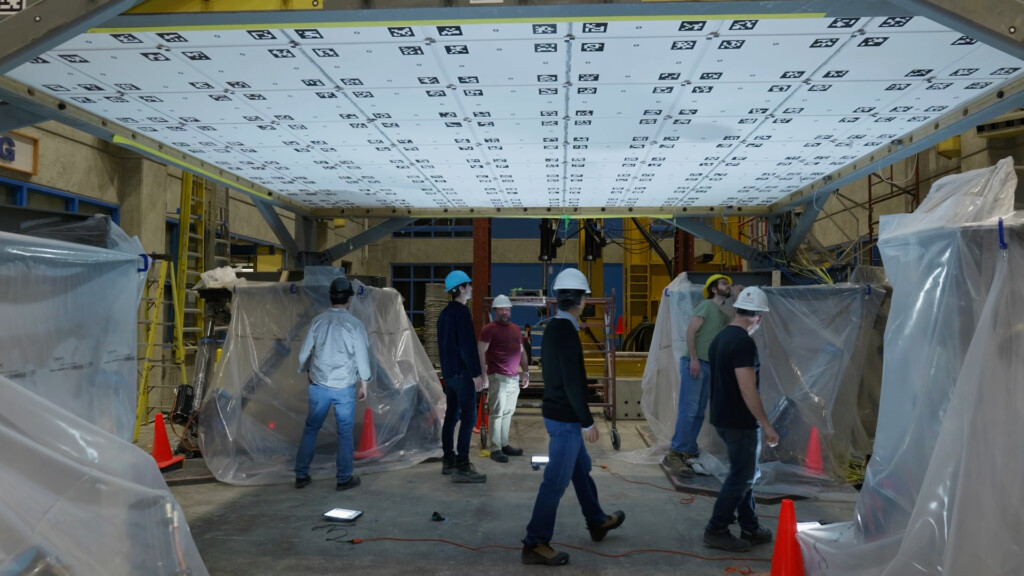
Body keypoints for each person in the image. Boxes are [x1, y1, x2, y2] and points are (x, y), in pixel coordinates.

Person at [522, 268, 625, 566]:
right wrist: (587, 421)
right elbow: (570, 381)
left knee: (581, 470)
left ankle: (596, 520)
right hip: (566, 419)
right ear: (581, 300)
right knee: (555, 482)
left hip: (558, 412)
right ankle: (534, 542)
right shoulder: (566, 331)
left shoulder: (555, 327)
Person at [702, 286, 778, 552]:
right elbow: (747, 389)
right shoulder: (744, 343)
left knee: (744, 473)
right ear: (758, 316)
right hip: (739, 422)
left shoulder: (720, 338)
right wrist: (767, 425)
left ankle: (750, 526)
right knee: (742, 476)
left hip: (723, 417)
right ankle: (717, 529)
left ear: (737, 310)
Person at [294, 277, 372, 491]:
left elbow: (304, 353)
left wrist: (306, 371)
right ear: (349, 299)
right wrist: (364, 383)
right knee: (345, 433)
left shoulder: (318, 321)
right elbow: (362, 357)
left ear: (331, 297)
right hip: (344, 386)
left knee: (311, 428)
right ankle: (343, 478)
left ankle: (301, 475)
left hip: (319, 385)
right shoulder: (355, 325)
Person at [663, 274, 743, 478]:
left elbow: (736, 322)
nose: (729, 285)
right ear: (714, 289)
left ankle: (688, 450)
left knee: (698, 411)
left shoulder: (720, 313)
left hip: (708, 365)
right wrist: (694, 359)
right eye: (725, 283)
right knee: (689, 409)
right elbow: (690, 332)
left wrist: (737, 298)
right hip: (695, 363)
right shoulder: (706, 306)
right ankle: (675, 453)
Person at [437, 270, 487, 483]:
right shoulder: (462, 313)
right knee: (468, 418)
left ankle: (448, 459)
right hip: (463, 373)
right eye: (469, 284)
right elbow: (467, 346)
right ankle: (463, 465)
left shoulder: (444, 314)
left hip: (450, 374)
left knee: (451, 416)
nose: (472, 288)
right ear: (460, 288)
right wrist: (476, 373)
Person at [478, 294, 530, 463]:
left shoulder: (516, 329)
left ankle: (504, 444)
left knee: (508, 412)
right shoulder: (489, 329)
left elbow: (521, 351)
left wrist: (526, 372)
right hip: (497, 377)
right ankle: (495, 448)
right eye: (501, 309)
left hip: (513, 377)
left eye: (507, 309)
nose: (505, 311)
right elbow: (480, 351)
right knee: (497, 412)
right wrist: (484, 375)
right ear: (495, 311)